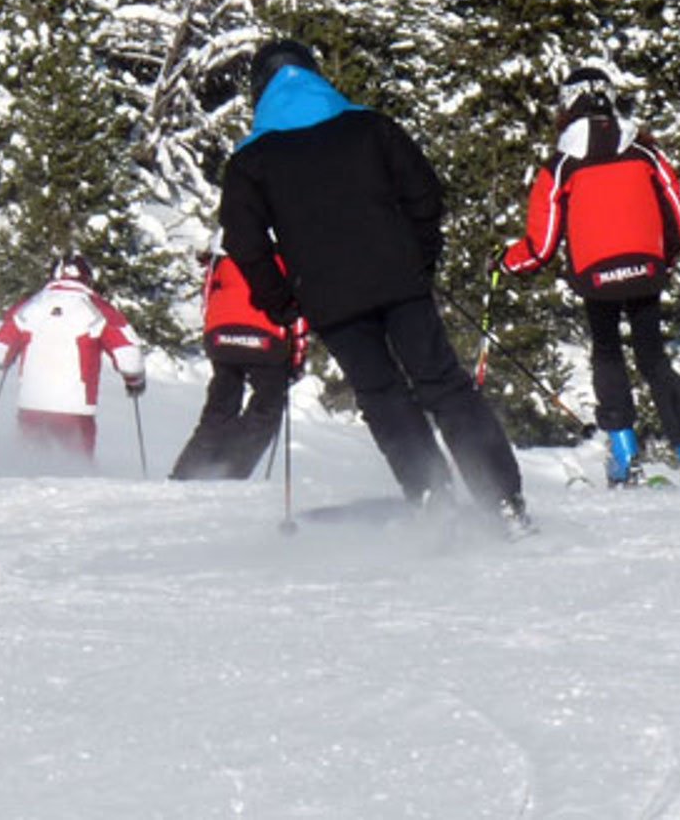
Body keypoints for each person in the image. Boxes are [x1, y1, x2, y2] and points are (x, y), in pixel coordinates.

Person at [220, 38, 531, 534]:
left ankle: (432, 498)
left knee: (382, 395)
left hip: (328, 298)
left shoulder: (251, 159)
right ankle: (503, 502)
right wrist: (419, 258)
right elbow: (425, 194)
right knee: (444, 384)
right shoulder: (370, 126)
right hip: (398, 279)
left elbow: (245, 242)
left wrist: (280, 301)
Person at [502, 63, 680, 488]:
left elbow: (540, 247)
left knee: (608, 353)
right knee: (654, 359)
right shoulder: (644, 151)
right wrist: (663, 258)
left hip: (595, 275)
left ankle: (623, 455)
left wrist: (507, 262)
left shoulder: (562, 164)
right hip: (647, 268)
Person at [0, 253, 147, 465]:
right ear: (88, 278)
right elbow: (130, 360)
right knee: (74, 479)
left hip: (31, 406)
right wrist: (134, 382)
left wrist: (12, 355)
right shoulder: (98, 309)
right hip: (76, 409)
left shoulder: (29, 307)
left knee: (26, 472)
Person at [169, 242, 305, 481]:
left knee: (220, 409)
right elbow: (298, 315)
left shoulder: (223, 260)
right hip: (266, 338)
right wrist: (295, 362)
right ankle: (229, 472)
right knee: (267, 408)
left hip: (221, 336)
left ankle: (187, 473)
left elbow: (209, 298)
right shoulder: (288, 261)